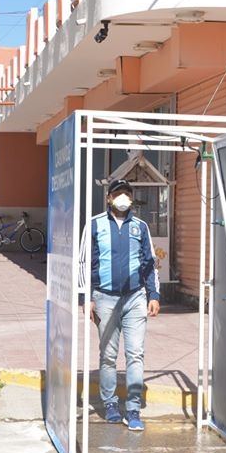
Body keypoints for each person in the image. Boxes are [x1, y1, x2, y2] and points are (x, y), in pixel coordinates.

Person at [81, 178, 160, 431]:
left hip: (135, 298)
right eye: (118, 193)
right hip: (104, 298)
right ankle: (110, 404)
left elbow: (149, 262)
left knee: (135, 354)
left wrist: (154, 295)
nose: (122, 197)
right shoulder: (94, 224)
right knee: (108, 355)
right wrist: (87, 297)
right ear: (109, 198)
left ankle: (133, 408)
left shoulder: (140, 226)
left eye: (127, 193)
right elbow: (84, 262)